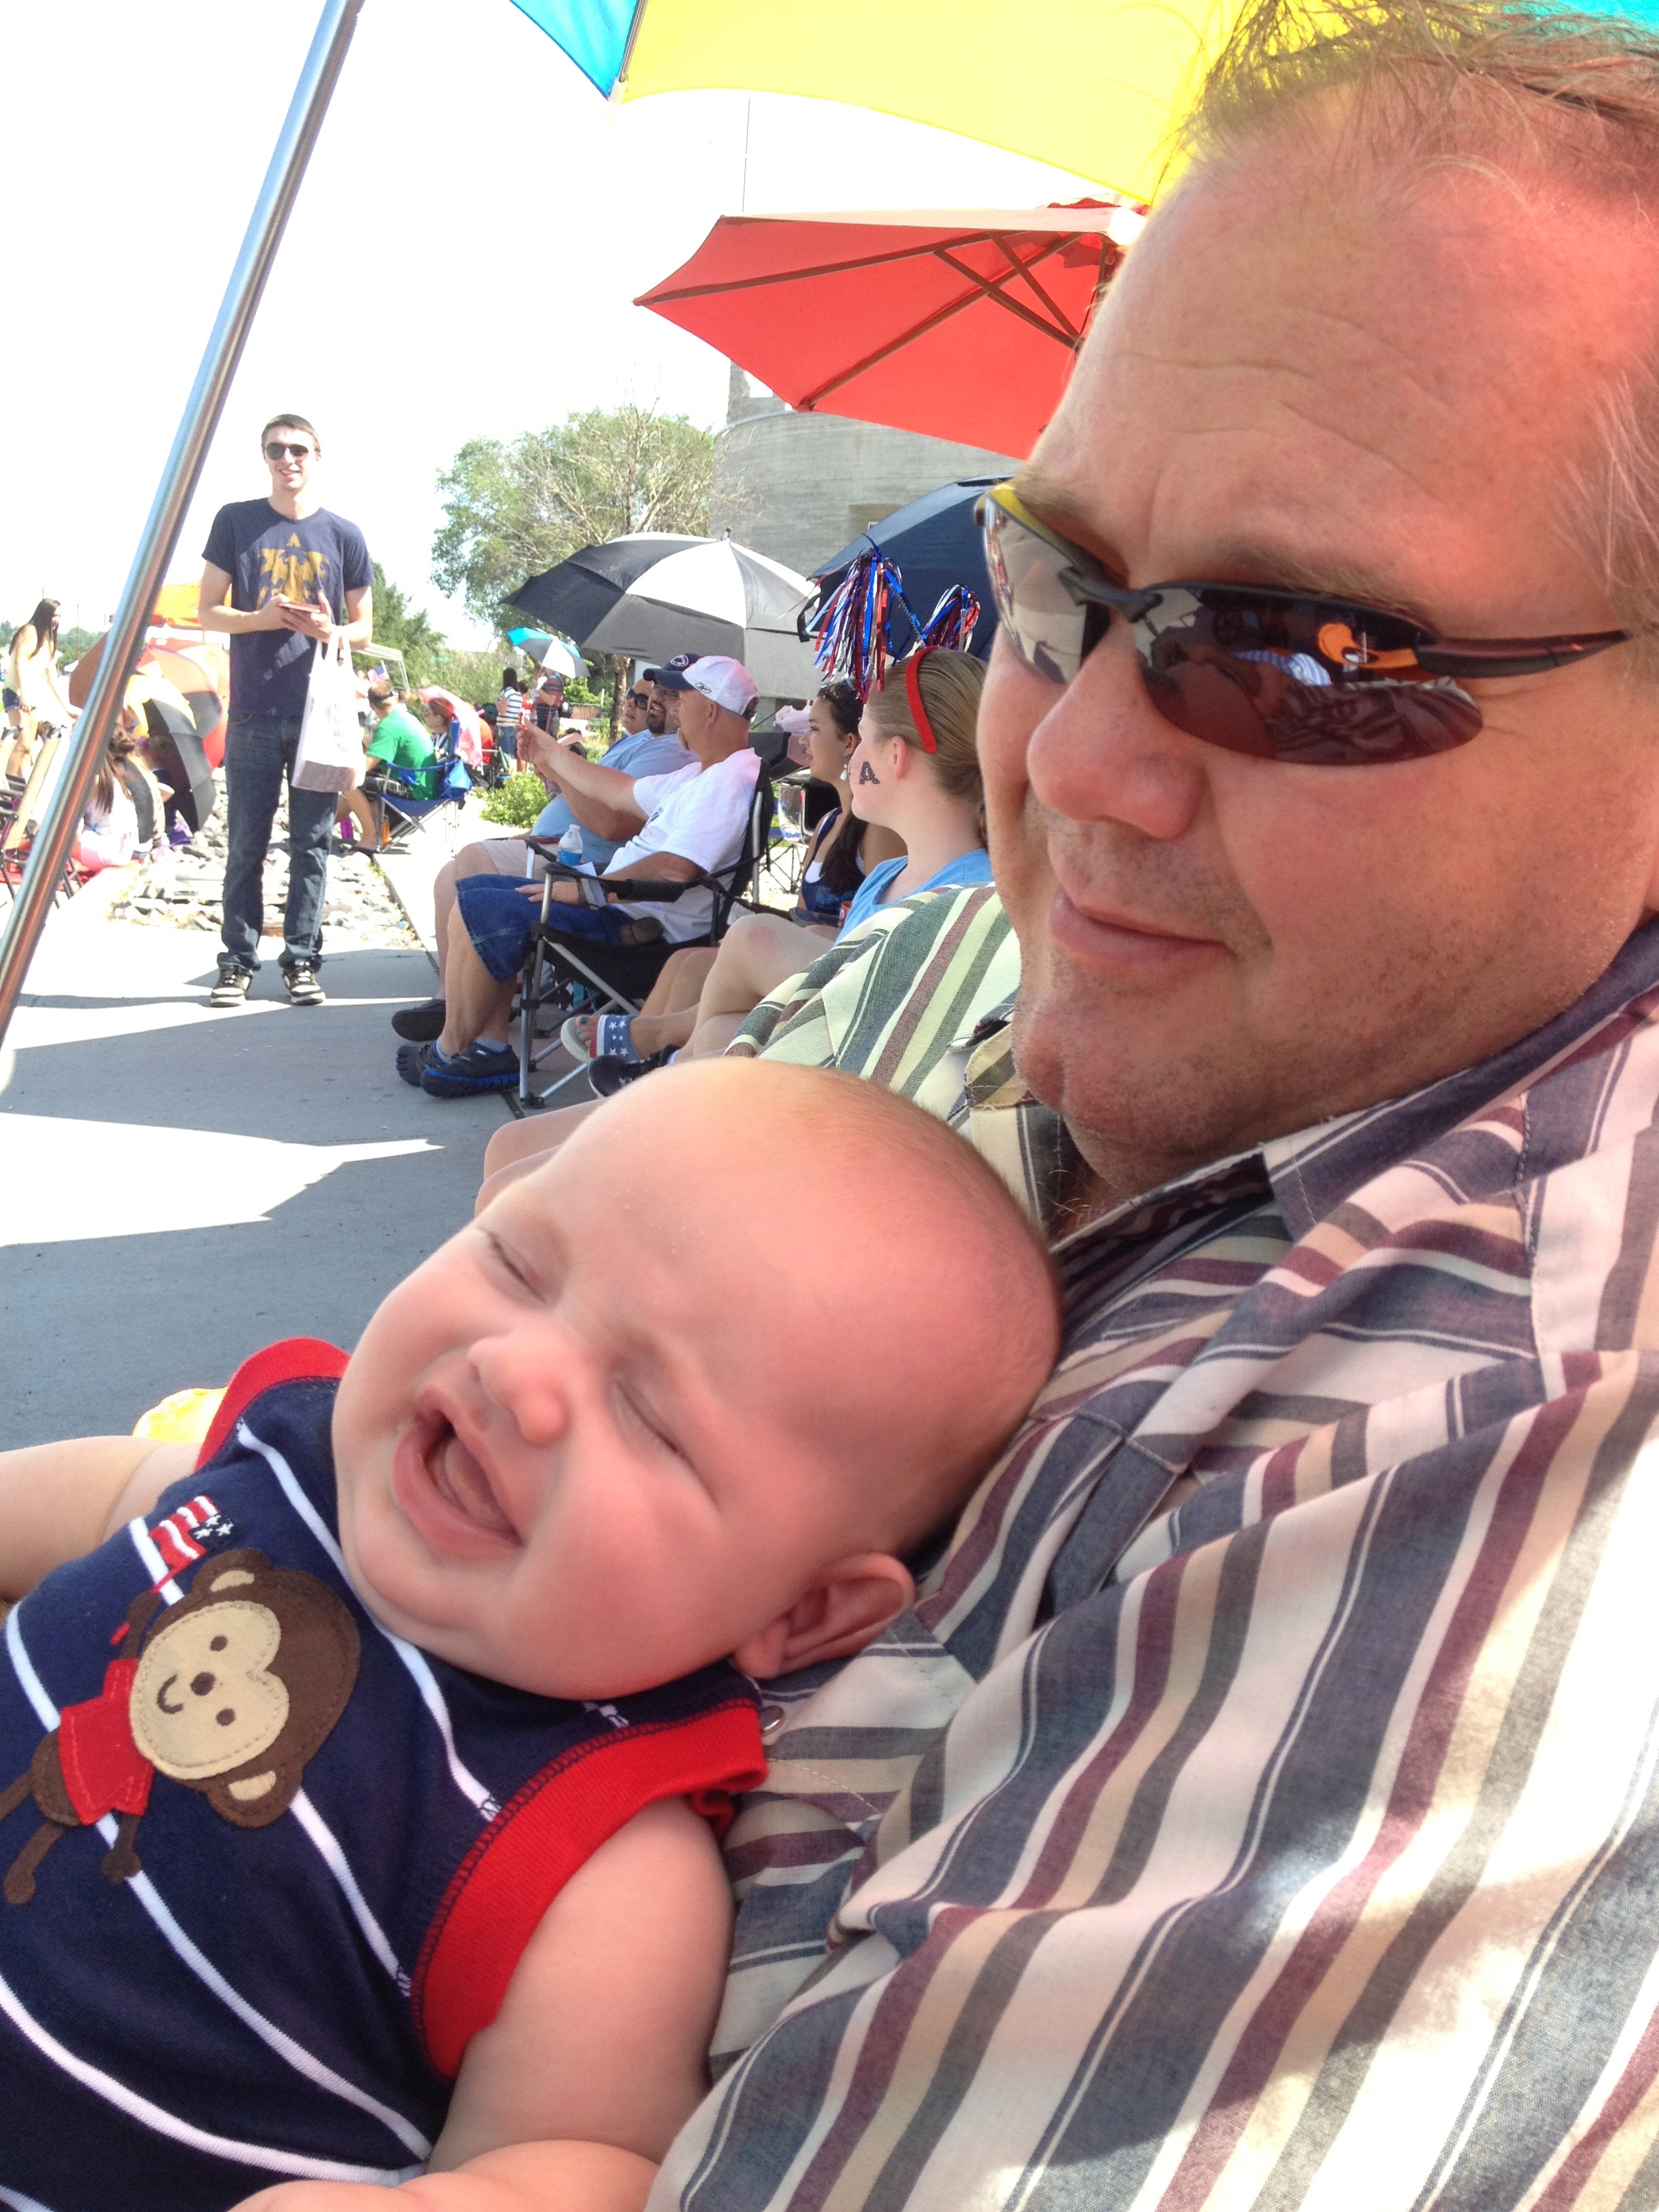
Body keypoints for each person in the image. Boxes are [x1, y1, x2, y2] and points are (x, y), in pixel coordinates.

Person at [0, 1061, 1060, 2212]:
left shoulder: (595, 1854)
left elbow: (580, 2154)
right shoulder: (297, 1448)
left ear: (798, 1609)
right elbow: (113, 1495)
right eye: (516, 1260)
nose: (516, 1369)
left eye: (651, 1413)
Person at [563, 653, 986, 1080]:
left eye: (862, 739)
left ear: (894, 755)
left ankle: (662, 1066)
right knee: (717, 1028)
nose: (852, 757)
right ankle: (663, 1071)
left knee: (751, 939)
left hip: (865, 1073)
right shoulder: (888, 874)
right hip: (839, 1038)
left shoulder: (968, 893)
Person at [399, 655, 761, 1100]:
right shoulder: (699, 774)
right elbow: (616, 791)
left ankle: (451, 1048)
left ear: (708, 708)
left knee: (485, 906)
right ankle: (484, 1046)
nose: (672, 707)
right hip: (621, 902)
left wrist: (587, 890)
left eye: (679, 697)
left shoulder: (728, 782)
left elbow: (674, 868)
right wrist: (551, 755)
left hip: (638, 925)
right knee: (477, 893)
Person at [386, 689, 693, 1049]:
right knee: (447, 878)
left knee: (476, 868)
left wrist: (557, 763)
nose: (644, 701)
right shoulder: (642, 743)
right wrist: (550, 764)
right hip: (564, 853)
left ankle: (484, 1033)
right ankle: (452, 1002)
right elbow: (591, 799)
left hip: (590, 870)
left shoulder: (672, 752)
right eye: (639, 694)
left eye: (661, 696)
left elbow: (615, 826)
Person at [199, 414, 372, 1012]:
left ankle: (302, 960)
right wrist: (259, 620)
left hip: (317, 714)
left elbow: (367, 628)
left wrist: (333, 630)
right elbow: (207, 612)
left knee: (313, 844)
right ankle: (237, 963)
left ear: (317, 456)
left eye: (298, 448)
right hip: (251, 711)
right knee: (245, 843)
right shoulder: (236, 522)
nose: (287, 458)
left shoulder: (344, 535)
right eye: (276, 448)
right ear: (265, 457)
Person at [5, 598, 75, 781]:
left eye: (59, 616)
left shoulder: (50, 642)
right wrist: (24, 695)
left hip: (33, 699)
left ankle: (21, 786)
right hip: (17, 694)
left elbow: (53, 679)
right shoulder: (29, 632)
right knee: (22, 743)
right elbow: (19, 662)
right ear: (45, 614)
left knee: (29, 747)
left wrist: (67, 707)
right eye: (54, 615)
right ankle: (5, 786)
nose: (57, 620)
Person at [494, 667, 525, 763]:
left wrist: (496, 701)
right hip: (514, 726)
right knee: (511, 753)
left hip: (505, 726)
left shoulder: (507, 692)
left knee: (505, 755)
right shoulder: (518, 694)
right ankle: (513, 775)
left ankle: (506, 774)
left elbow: (502, 711)